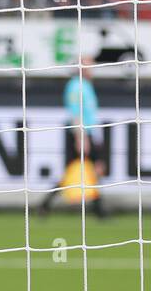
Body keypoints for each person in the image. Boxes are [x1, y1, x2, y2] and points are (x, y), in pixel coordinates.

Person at [40, 58, 107, 218]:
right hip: (80, 133)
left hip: (88, 132)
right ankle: (99, 212)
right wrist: (80, 137)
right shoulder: (76, 86)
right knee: (80, 171)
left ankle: (98, 210)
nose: (92, 69)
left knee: (92, 170)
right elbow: (76, 113)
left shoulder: (86, 85)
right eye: (89, 66)